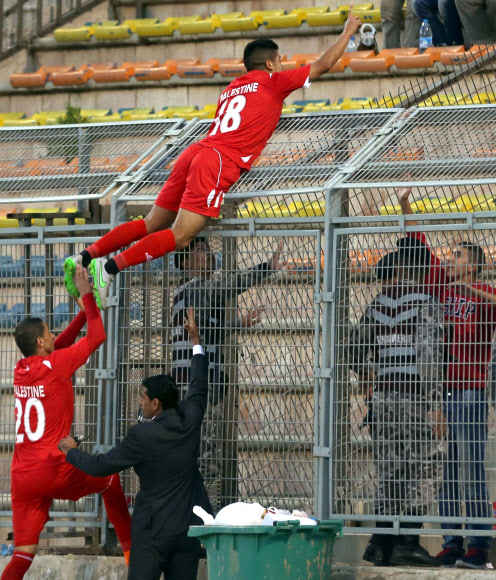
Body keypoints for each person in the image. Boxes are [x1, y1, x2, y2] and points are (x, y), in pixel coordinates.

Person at [62, 11, 362, 309]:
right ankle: (108, 269)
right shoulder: (273, 81)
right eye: (280, 61)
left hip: (195, 152)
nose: (282, 66)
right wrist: (348, 32)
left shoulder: (230, 89)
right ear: (270, 63)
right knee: (180, 236)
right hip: (216, 162)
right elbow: (321, 66)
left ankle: (84, 257)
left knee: (152, 222)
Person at [59, 307, 212, 580]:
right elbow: (199, 383)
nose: (140, 402)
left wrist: (72, 452)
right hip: (187, 529)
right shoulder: (191, 416)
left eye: (143, 397)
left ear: (156, 403)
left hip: (153, 531)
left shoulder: (142, 436)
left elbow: (100, 466)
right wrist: (196, 343)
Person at [2, 265, 131, 580]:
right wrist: (88, 297)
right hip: (52, 466)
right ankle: (134, 558)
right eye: (49, 333)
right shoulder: (57, 364)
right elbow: (98, 337)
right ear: (42, 343)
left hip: (22, 475)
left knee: (23, 554)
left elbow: (59, 345)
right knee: (111, 481)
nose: (52, 336)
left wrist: (87, 312)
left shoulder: (22, 368)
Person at [397, 187, 496, 570]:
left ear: (473, 266)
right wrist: (406, 205)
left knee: (471, 469)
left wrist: (468, 288)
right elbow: (418, 242)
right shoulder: (439, 284)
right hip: (440, 394)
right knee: (447, 472)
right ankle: (452, 541)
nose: (450, 260)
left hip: (470, 393)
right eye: (451, 256)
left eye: (457, 257)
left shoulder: (482, 292)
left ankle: (478, 545)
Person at [349, 238, 445, 567]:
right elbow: (430, 358)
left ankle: (381, 542)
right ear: (421, 267)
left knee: (390, 472)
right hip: (416, 399)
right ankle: (408, 540)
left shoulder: (378, 303)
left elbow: (353, 348)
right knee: (425, 470)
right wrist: (435, 405)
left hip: (384, 398)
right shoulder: (426, 302)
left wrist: (367, 375)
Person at [171, 237, 283, 505]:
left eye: (208, 248)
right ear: (185, 263)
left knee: (200, 454)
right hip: (196, 389)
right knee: (205, 457)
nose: (209, 254)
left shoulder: (190, 294)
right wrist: (267, 267)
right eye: (200, 249)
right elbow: (227, 286)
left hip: (195, 386)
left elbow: (207, 332)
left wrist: (238, 322)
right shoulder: (196, 288)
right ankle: (203, 518)